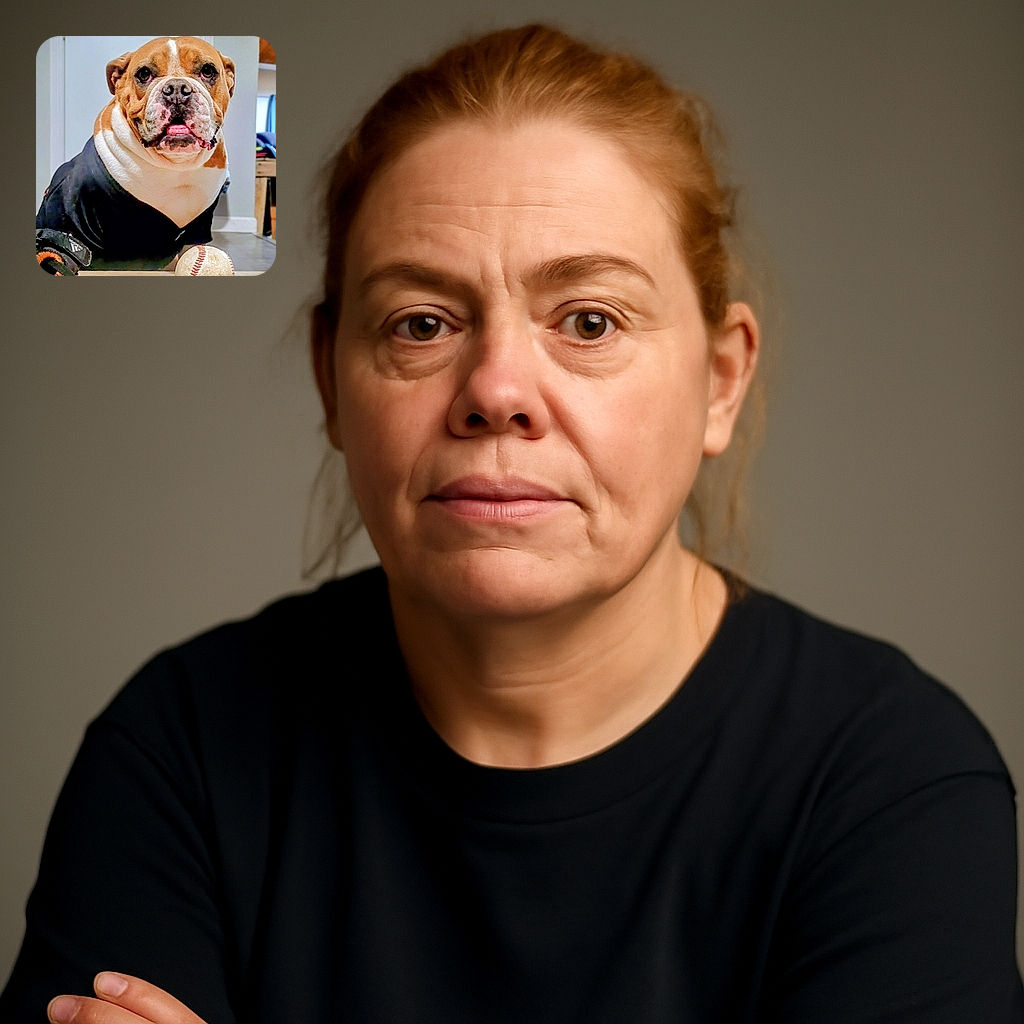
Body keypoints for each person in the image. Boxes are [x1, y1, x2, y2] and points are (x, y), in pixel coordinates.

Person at [3, 23, 1021, 1024]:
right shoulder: (181, 748)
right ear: (329, 377)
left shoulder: (890, 779)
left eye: (588, 320)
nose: (495, 389)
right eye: (421, 324)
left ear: (720, 381)